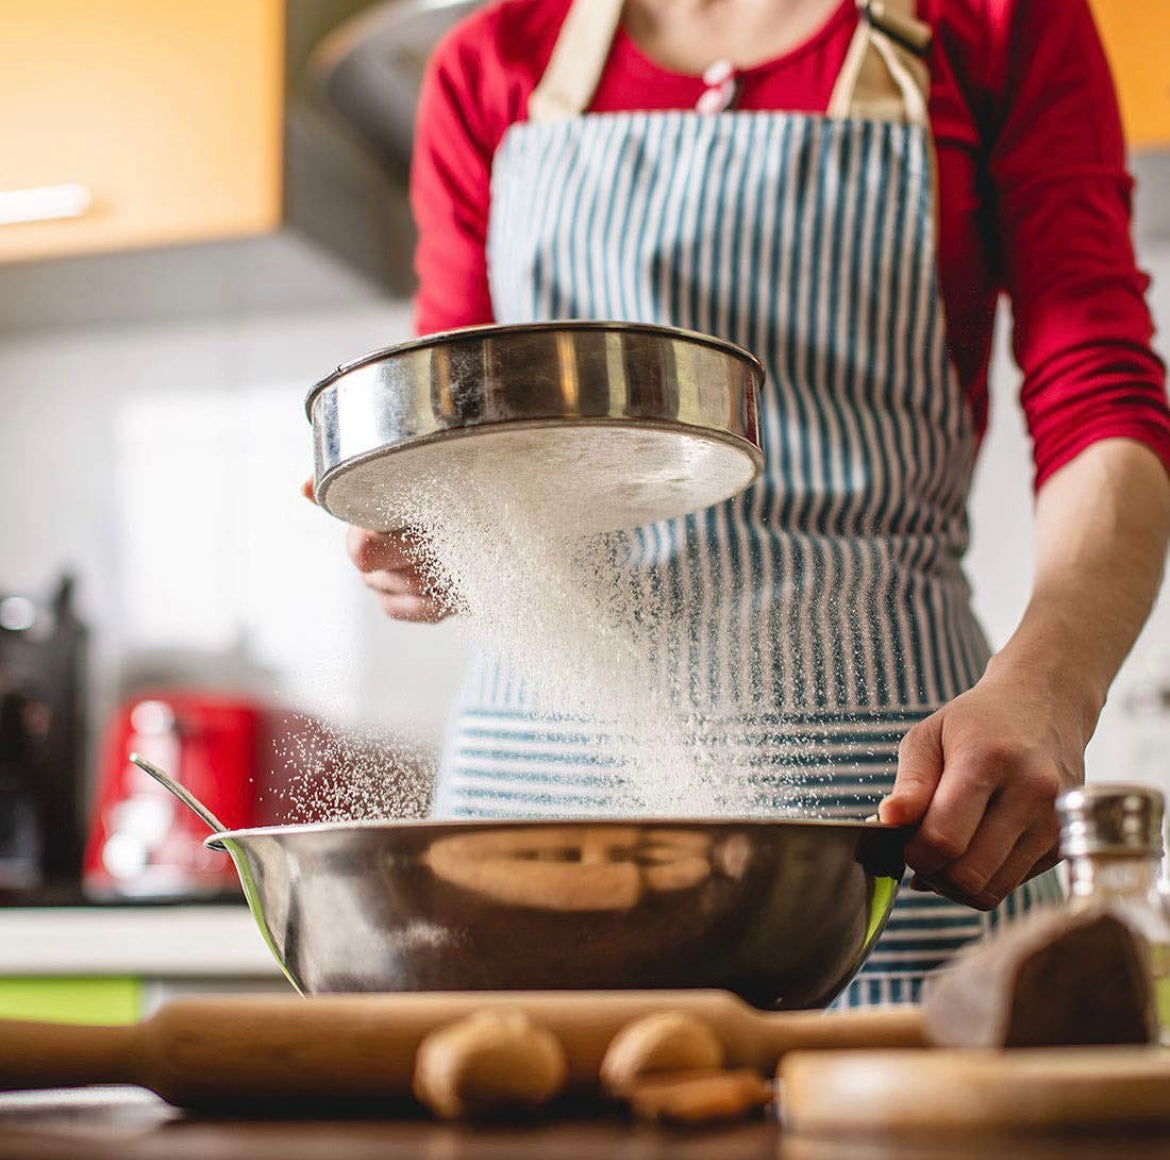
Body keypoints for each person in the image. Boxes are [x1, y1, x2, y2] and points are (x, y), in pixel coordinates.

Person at [339, 0, 1170, 1004]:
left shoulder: (996, 22)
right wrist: (438, 542)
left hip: (892, 834)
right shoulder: (490, 63)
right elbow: (456, 419)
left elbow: (1099, 391)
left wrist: (1052, 685)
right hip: (532, 826)